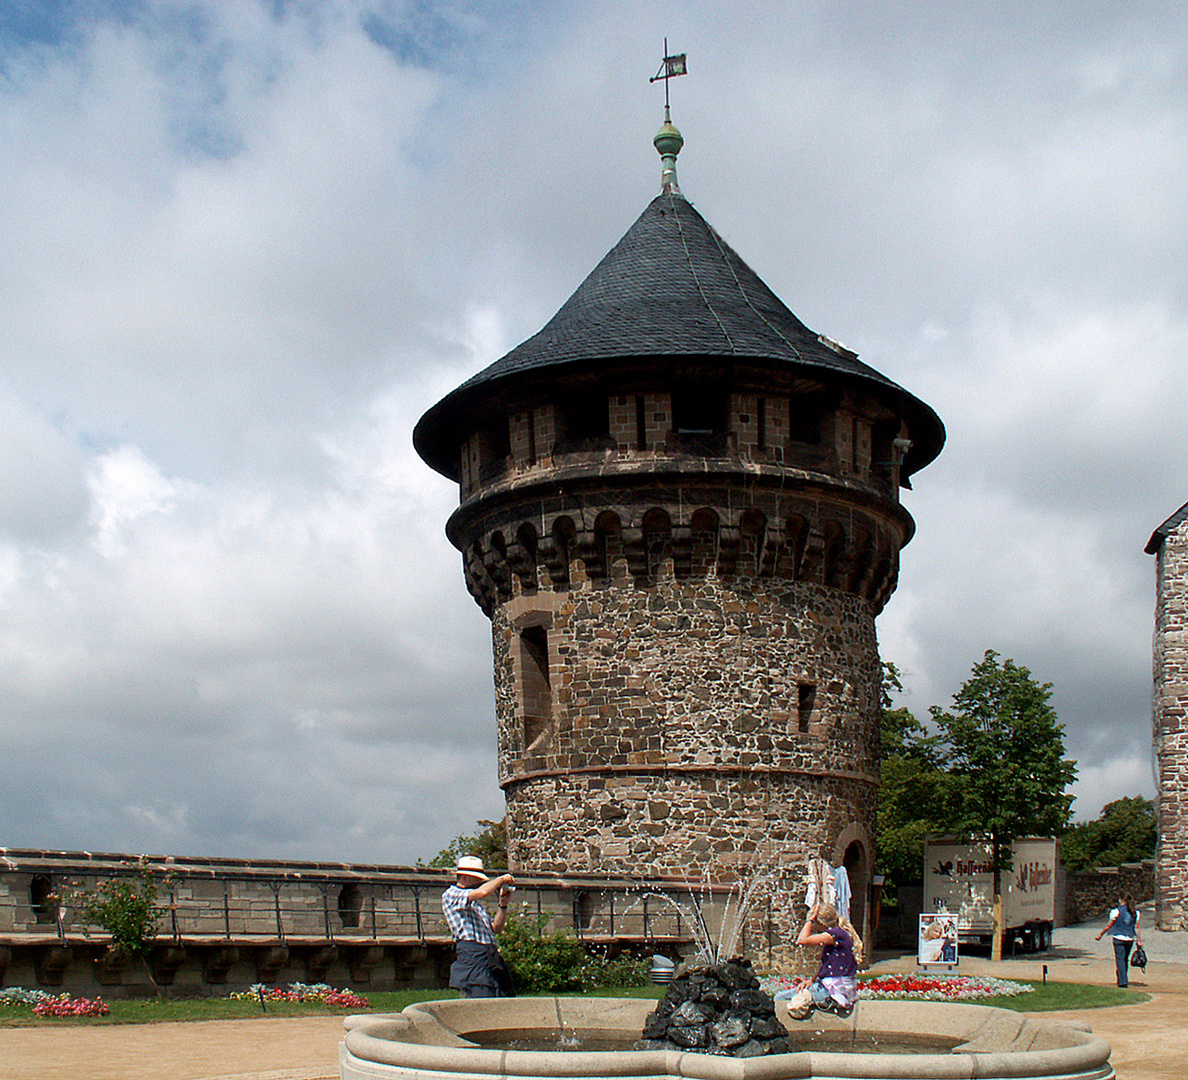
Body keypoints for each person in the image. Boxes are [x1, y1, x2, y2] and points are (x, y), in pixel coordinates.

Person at [441, 855, 516, 997]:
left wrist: (503, 905)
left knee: (504, 998)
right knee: (479, 999)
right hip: (472, 954)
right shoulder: (451, 894)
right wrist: (501, 879)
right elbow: (483, 892)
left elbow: (496, 928)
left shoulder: (475, 904)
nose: (480, 883)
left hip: (490, 955)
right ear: (466, 877)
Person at [774, 902, 858, 1017]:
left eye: (815, 924)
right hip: (840, 991)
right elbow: (827, 964)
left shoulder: (834, 935)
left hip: (831, 993)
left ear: (821, 923)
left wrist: (809, 919)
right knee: (797, 994)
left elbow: (802, 940)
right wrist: (812, 981)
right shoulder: (840, 934)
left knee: (779, 998)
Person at [1095, 893, 1141, 988]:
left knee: (1120, 959)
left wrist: (1101, 934)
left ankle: (1122, 981)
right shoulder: (1135, 912)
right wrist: (1139, 941)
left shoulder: (1116, 911)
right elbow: (1136, 927)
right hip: (1130, 938)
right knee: (1124, 959)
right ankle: (1123, 977)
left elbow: (1109, 925)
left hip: (1118, 938)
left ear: (1122, 900)